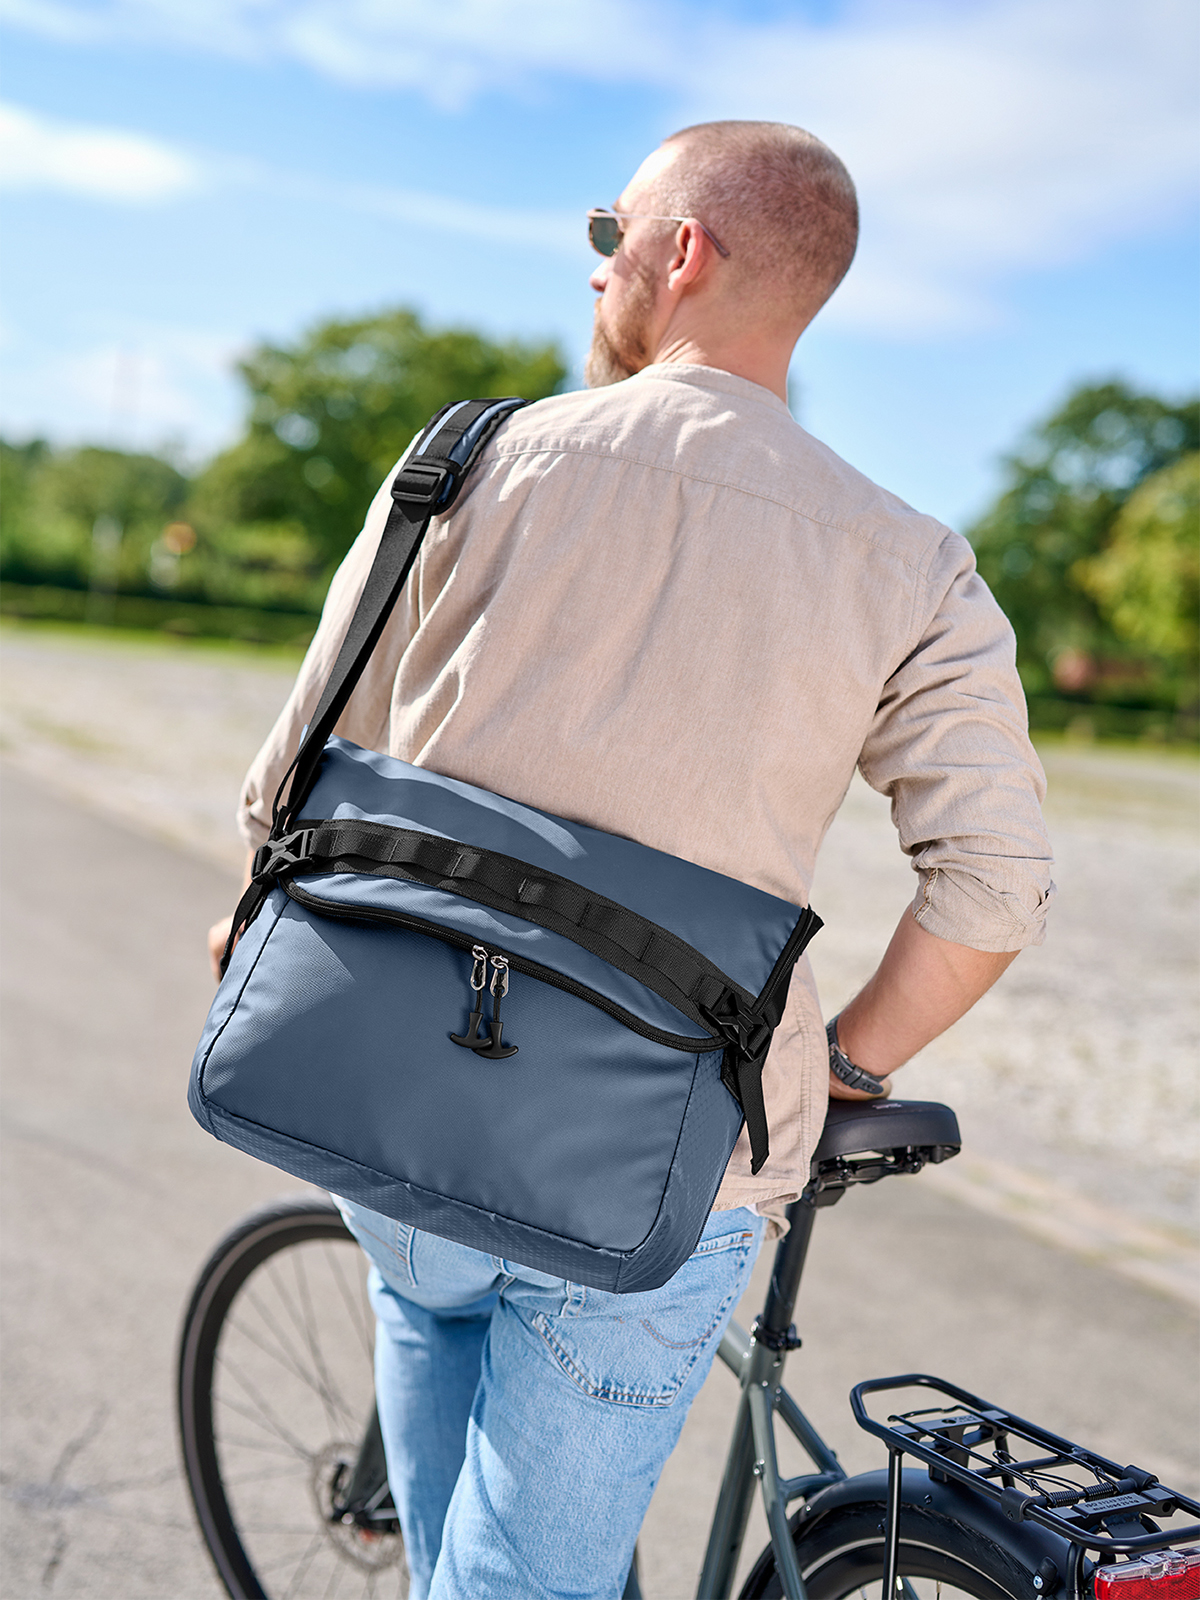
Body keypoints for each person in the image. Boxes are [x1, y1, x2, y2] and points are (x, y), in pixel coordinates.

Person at [208, 120, 1053, 1598]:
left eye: (613, 239)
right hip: (672, 1153)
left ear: (681, 253)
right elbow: (992, 886)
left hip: (407, 1070)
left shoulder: (467, 460)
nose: (598, 273)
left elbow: (294, 768)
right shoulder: (912, 560)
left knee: (430, 1342)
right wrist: (838, 1064)